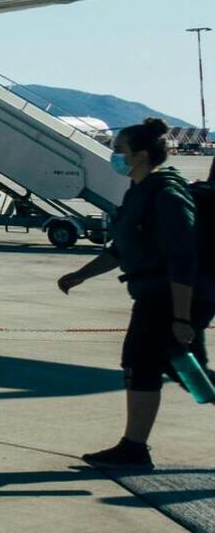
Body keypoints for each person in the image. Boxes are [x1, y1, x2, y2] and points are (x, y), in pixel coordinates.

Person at [57, 118, 209, 470]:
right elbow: (121, 250)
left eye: (119, 151)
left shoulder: (167, 195)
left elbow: (182, 258)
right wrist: (80, 275)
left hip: (169, 296)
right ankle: (134, 447)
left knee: (146, 365)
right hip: (154, 295)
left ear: (140, 155)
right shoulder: (138, 191)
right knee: (183, 373)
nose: (114, 157)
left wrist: (182, 316)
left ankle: (134, 449)